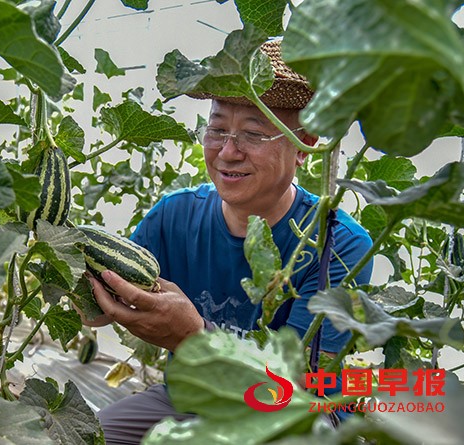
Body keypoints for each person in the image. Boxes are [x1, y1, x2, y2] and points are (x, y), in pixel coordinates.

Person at [81, 38, 373, 445]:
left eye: (253, 134)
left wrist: (192, 336)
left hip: (292, 420)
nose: (228, 152)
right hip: (191, 399)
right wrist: (63, 259)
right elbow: (98, 309)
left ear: (305, 143)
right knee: (83, 437)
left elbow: (297, 387)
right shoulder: (173, 215)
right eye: (217, 130)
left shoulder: (339, 245)